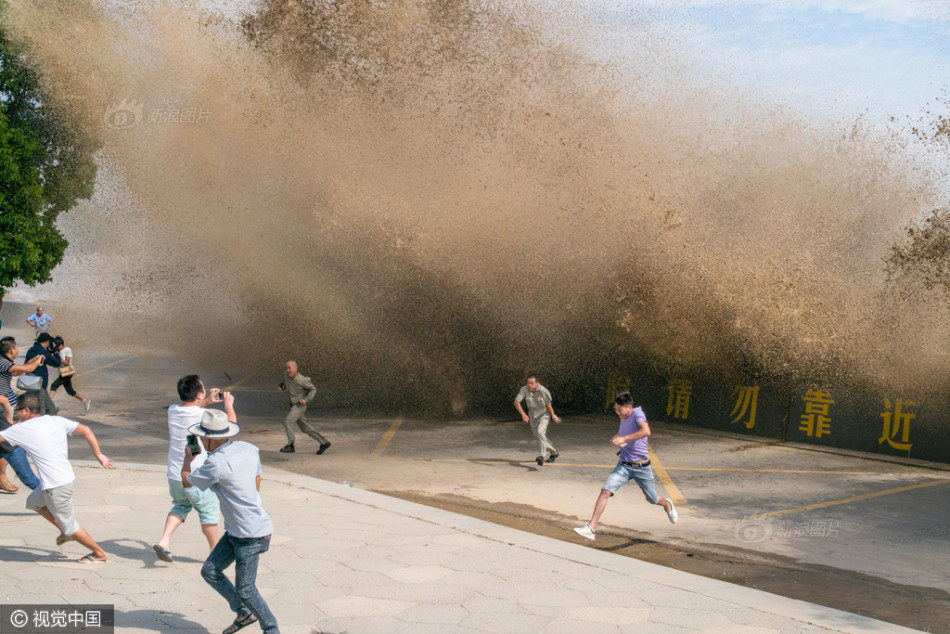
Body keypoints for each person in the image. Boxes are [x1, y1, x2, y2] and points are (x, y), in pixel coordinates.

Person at [183, 398, 280, 634]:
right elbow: (257, 479)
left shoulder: (215, 463)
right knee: (210, 571)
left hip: (250, 535)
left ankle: (272, 630)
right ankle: (243, 613)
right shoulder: (248, 448)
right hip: (241, 530)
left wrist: (188, 458)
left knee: (246, 589)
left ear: (207, 439)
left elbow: (187, 482)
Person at [0, 393, 114, 563]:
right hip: (64, 478)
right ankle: (65, 532)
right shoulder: (55, 420)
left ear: (26, 410)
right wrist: (99, 454)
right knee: (33, 503)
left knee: (71, 526)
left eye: (17, 411)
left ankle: (98, 553)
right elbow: (86, 429)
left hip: (55, 486)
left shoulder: (21, 429)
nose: (16, 415)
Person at [573, 391, 677, 541]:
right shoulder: (624, 416)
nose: (617, 413)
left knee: (652, 498)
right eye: (615, 409)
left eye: (619, 410)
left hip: (641, 467)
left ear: (629, 408)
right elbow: (623, 430)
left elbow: (646, 431)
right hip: (624, 465)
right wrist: (617, 436)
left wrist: (624, 438)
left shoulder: (638, 414)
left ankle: (667, 505)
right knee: (605, 491)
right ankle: (591, 528)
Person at [152, 375, 223, 563]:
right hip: (196, 476)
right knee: (209, 511)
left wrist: (205, 401)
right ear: (199, 394)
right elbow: (219, 424)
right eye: (203, 389)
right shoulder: (202, 416)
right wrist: (220, 403)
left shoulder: (173, 411)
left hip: (175, 475)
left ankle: (164, 541)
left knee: (181, 506)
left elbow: (191, 410)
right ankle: (215, 554)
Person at [0, 336, 44, 493]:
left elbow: (19, 371)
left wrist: (32, 362)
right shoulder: (2, 362)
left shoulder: (5, 362)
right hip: (3, 409)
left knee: (5, 444)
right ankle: (41, 489)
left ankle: (2, 477)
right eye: (17, 347)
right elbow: (26, 370)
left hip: (6, 406)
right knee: (11, 444)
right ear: (12, 350)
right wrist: (36, 362)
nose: (18, 350)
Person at [277, 360, 329, 455]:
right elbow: (285, 383)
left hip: (299, 406)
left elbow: (313, 389)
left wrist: (306, 399)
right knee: (305, 428)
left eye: (290, 368)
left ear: (295, 368)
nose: (288, 370)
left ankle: (290, 445)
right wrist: (282, 386)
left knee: (287, 421)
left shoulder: (302, 380)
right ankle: (324, 442)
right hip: (293, 406)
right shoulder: (286, 375)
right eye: (287, 368)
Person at [514, 374, 561, 466]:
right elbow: (516, 402)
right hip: (532, 417)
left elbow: (548, 404)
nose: (529, 385)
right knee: (539, 436)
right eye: (528, 383)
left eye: (532, 383)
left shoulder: (543, 391)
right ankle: (554, 452)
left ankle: (541, 456)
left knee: (540, 432)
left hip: (544, 416)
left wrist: (554, 416)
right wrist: (523, 415)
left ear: (537, 383)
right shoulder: (524, 389)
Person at [49, 338, 90, 412]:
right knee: (70, 391)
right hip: (62, 372)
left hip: (67, 372)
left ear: (61, 345)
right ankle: (85, 400)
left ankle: (48, 403)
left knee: (54, 385)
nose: (57, 348)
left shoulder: (67, 350)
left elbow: (67, 362)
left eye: (58, 346)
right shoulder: (57, 352)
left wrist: (56, 358)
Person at [24, 333, 61, 415]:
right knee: (42, 410)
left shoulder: (31, 350)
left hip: (30, 383)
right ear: (47, 342)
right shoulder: (42, 351)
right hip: (38, 385)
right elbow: (57, 363)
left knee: (51, 409)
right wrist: (56, 352)